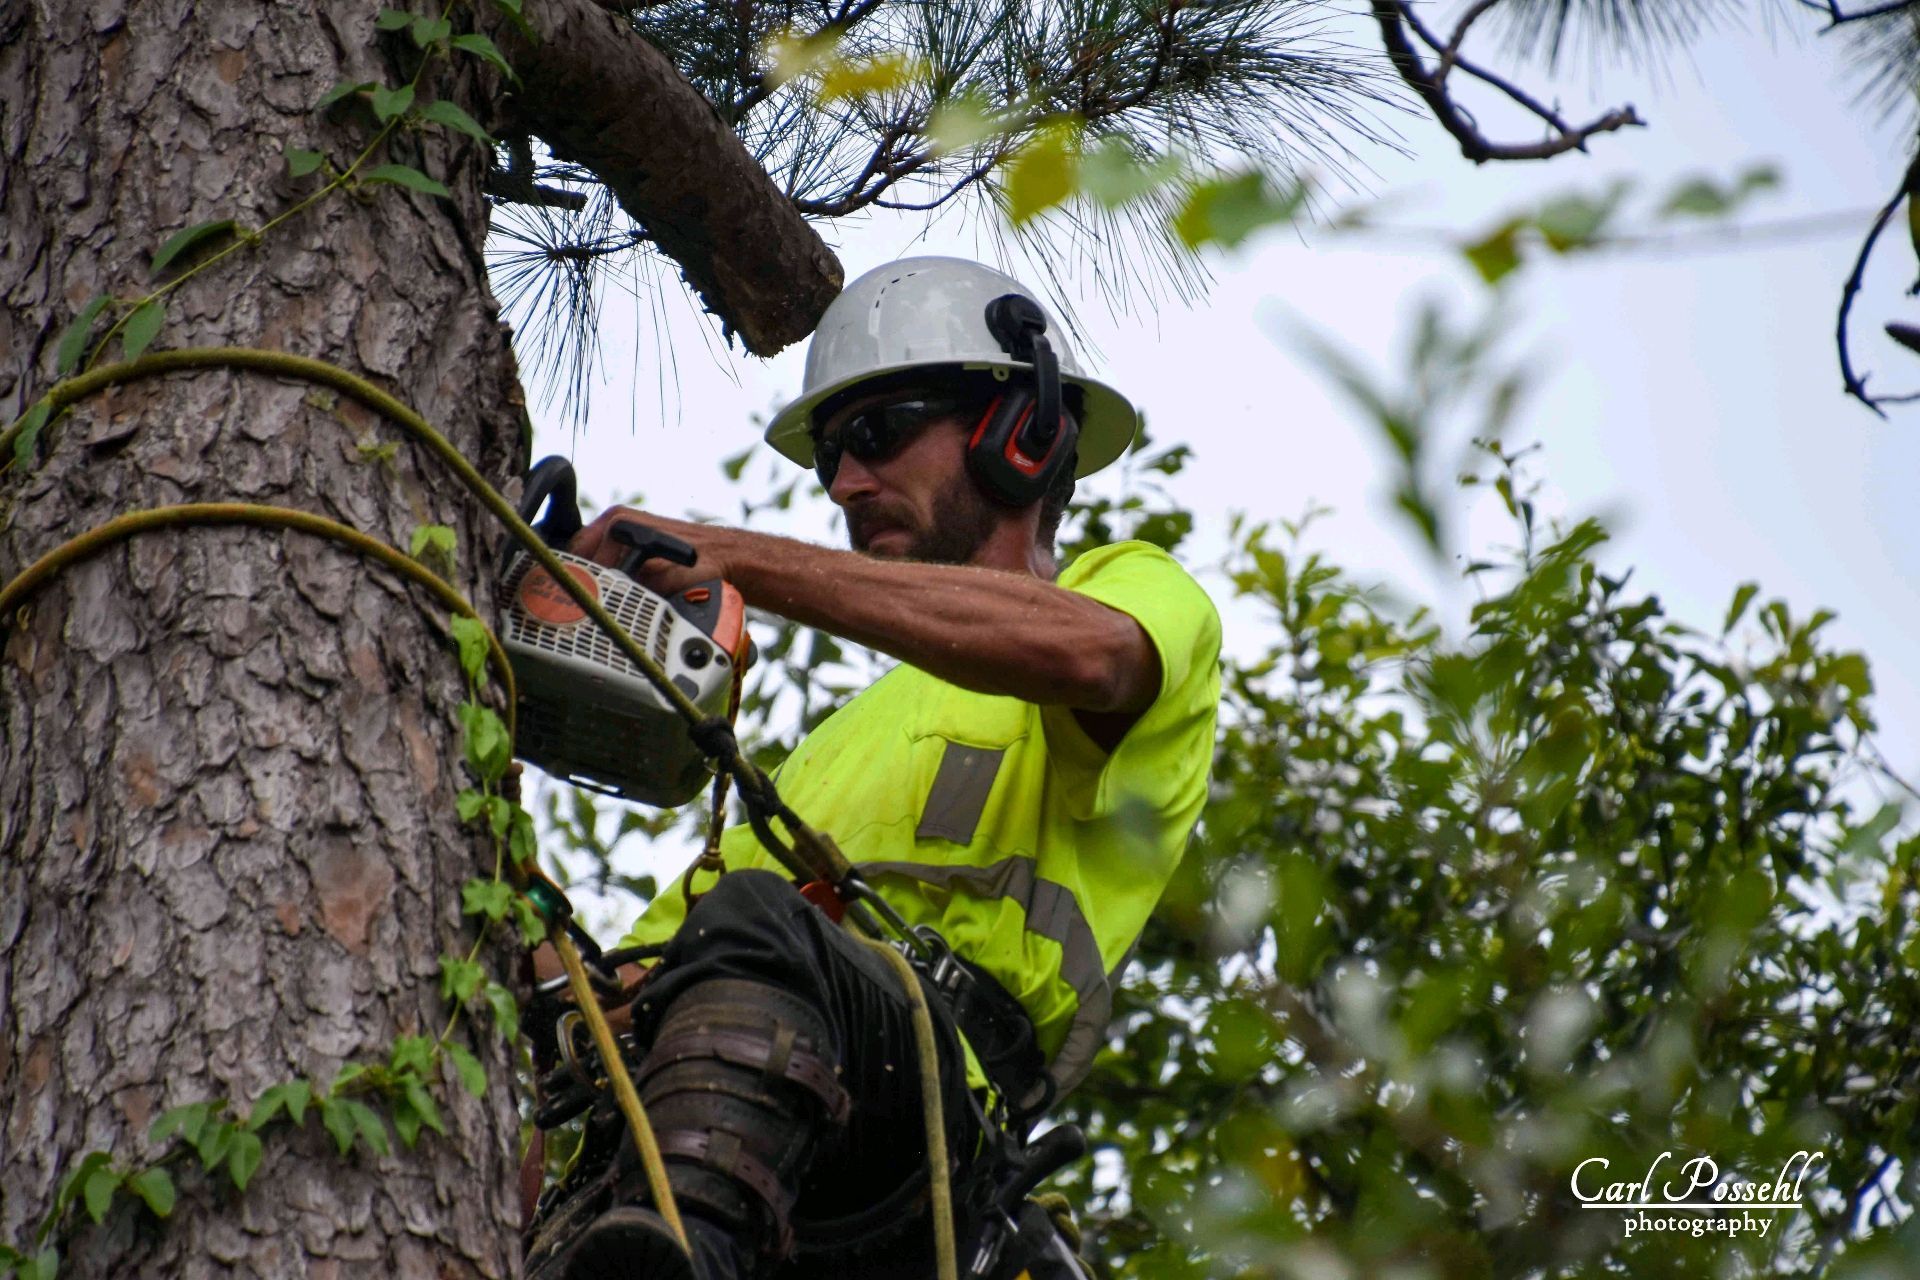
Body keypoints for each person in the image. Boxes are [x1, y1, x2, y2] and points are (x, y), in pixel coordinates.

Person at [537, 257, 1221, 1280]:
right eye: (831, 457)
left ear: (1020, 435)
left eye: (879, 432)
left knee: (767, 919)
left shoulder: (1130, 597)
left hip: (923, 1119)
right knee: (736, 927)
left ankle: (682, 1258)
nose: (849, 481)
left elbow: (1088, 653)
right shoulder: (836, 744)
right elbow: (625, 985)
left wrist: (741, 559)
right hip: (765, 1132)